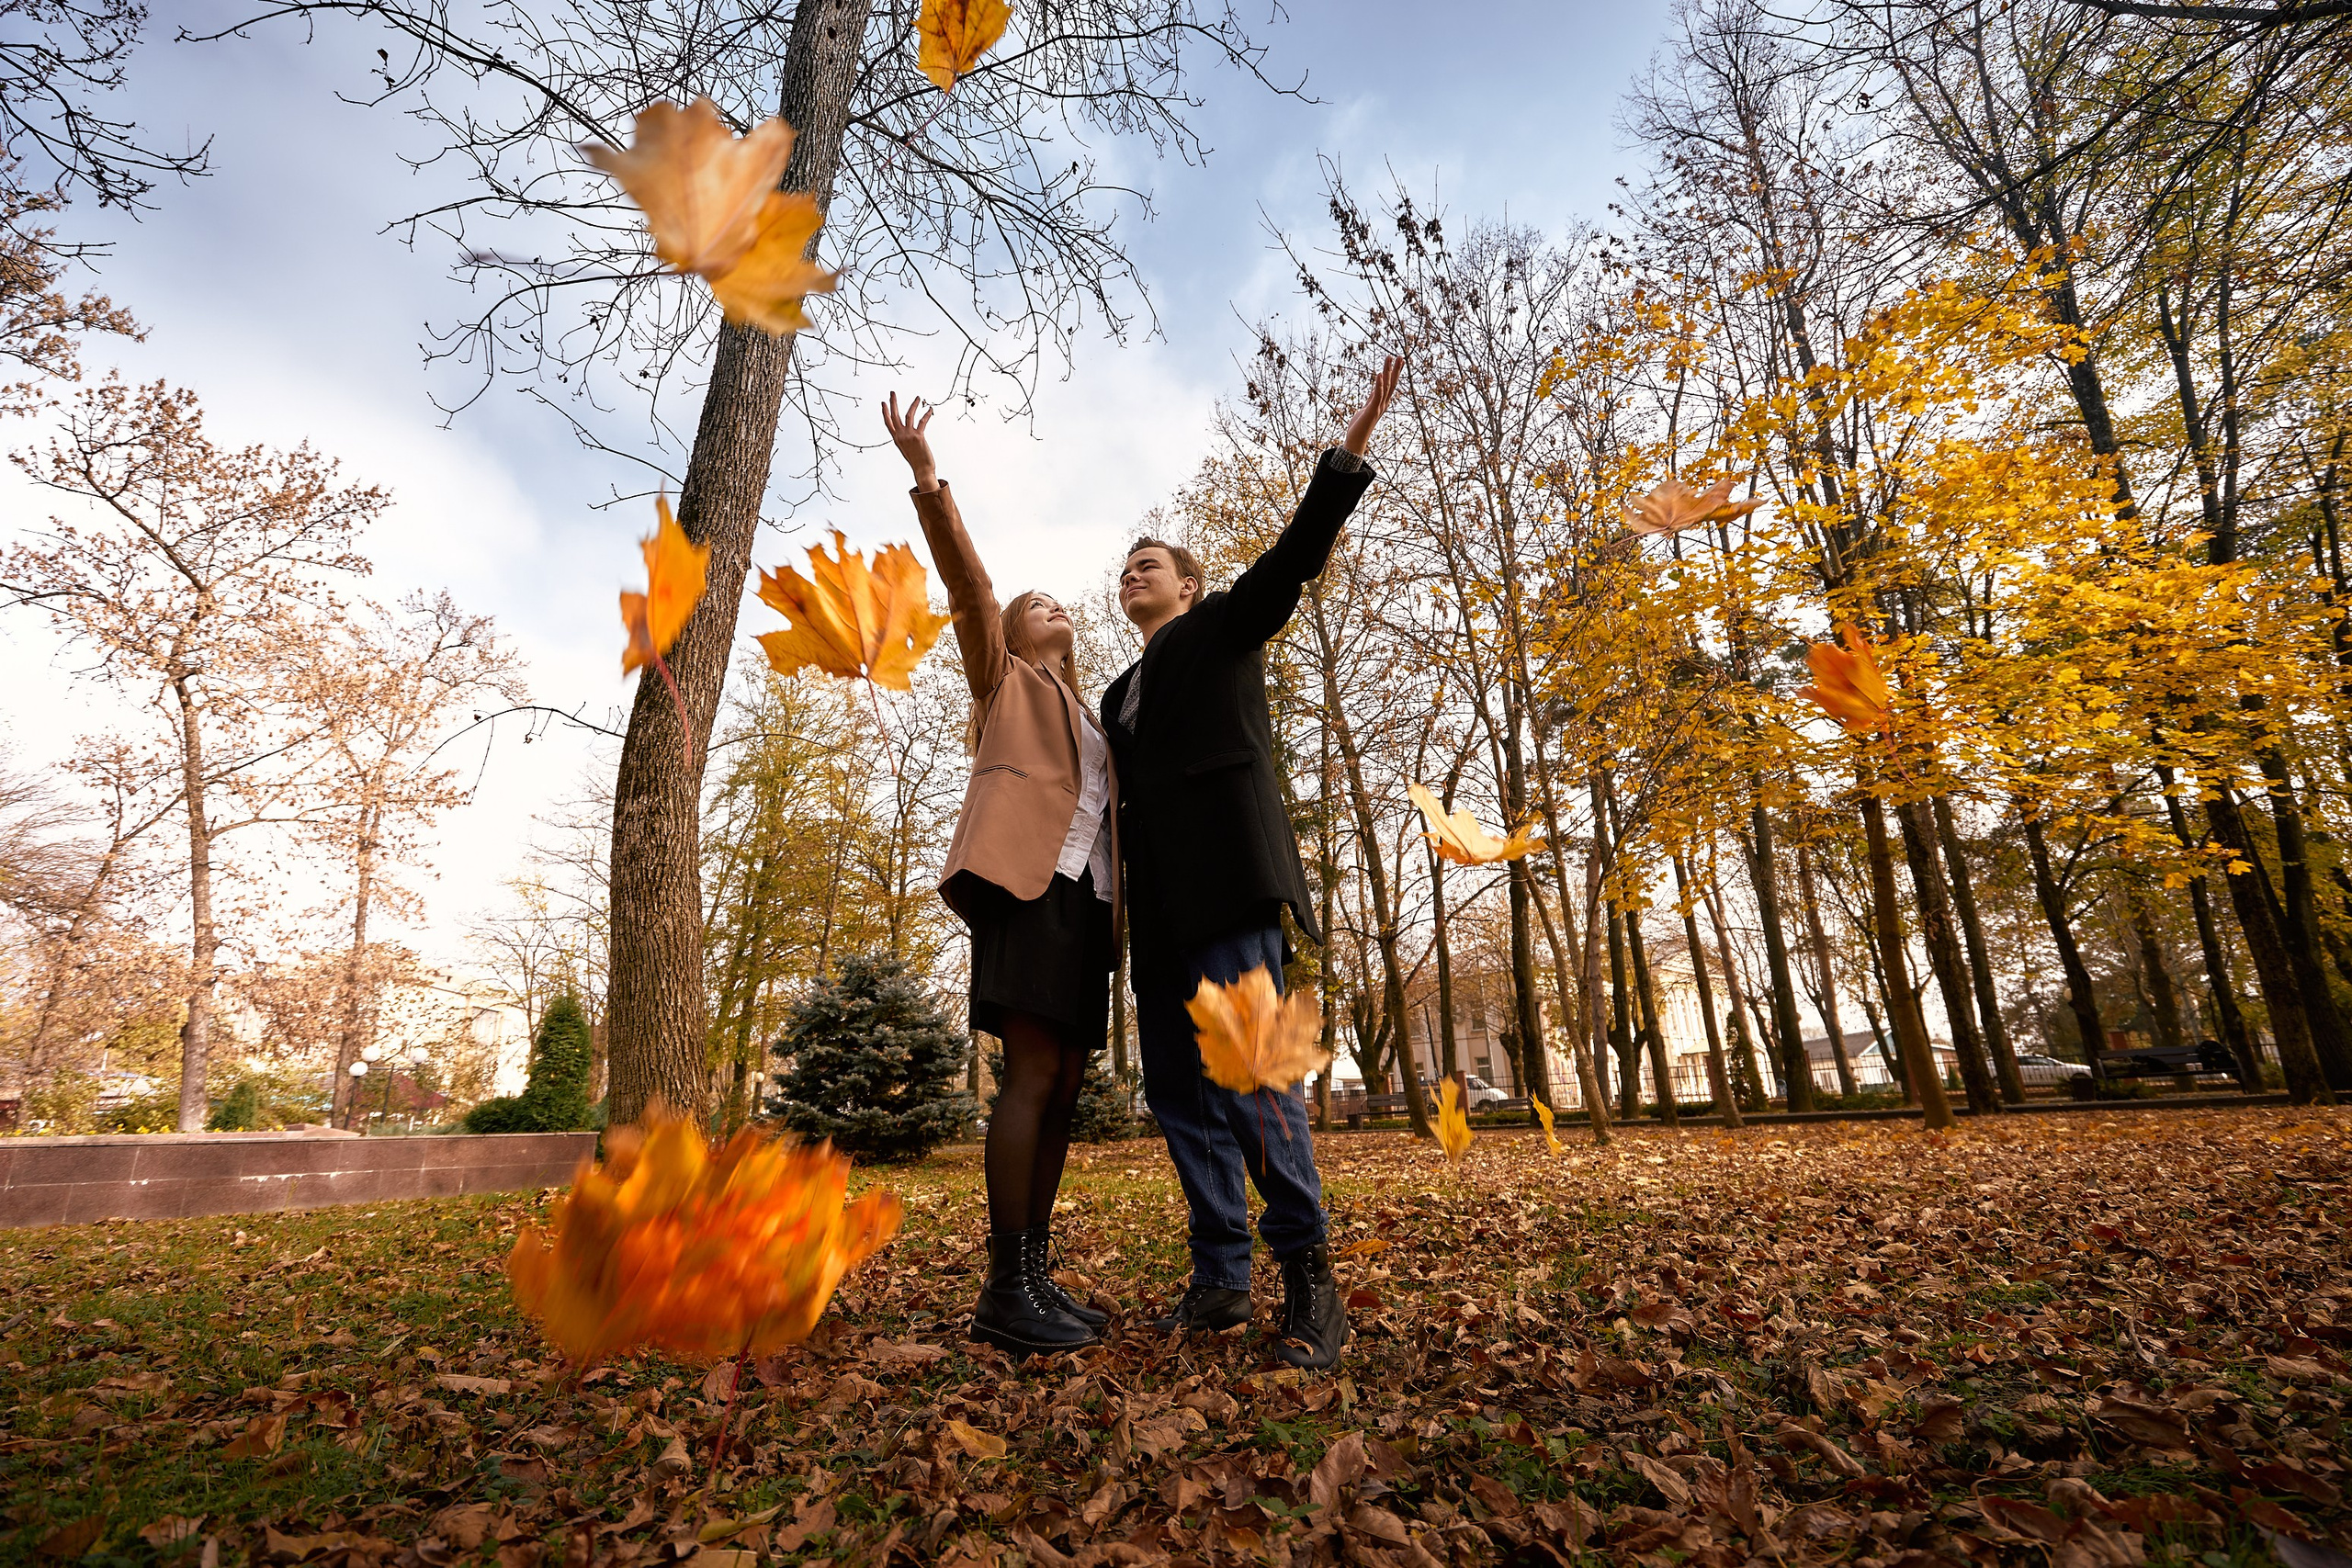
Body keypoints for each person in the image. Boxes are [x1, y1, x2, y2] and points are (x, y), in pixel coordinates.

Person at [1102, 354, 1405, 1371]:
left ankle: (1311, 1284)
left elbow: (1294, 558)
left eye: (1149, 563)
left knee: (1256, 1083)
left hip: (1231, 888)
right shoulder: (1115, 694)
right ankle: (1221, 1278)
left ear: (1187, 585)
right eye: (1125, 568)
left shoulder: (1224, 626)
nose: (1132, 573)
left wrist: (1347, 453)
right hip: (1158, 922)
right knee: (1183, 1100)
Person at [884, 392, 1115, 1357]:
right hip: (1026, 890)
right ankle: (1002, 1288)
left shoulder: (1092, 716)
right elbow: (971, 589)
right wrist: (928, 480)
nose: (1053, 606)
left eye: (1060, 602)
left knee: (1064, 1084)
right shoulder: (1003, 679)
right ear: (1013, 633)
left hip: (1088, 906)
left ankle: (1036, 1275)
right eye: (1035, 604)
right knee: (1031, 1074)